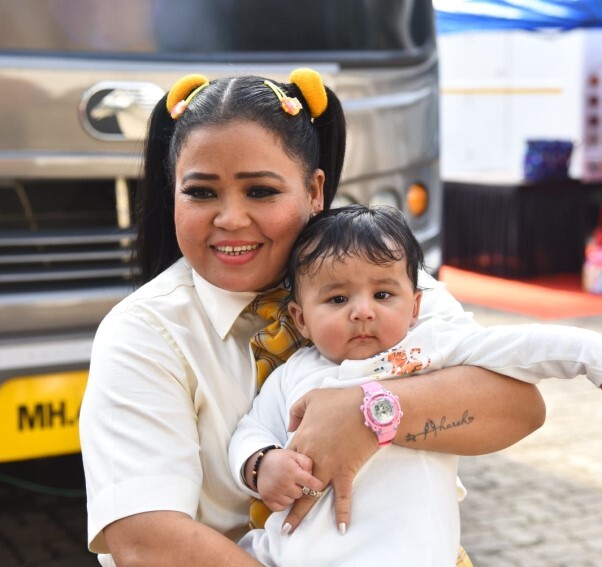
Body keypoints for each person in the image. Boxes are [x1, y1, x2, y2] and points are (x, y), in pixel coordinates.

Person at [79, 68, 549, 567]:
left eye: (259, 191)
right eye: (201, 192)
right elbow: (145, 539)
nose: (231, 218)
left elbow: (518, 408)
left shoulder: (379, 281)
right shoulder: (144, 334)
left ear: (315, 190)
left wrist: (372, 414)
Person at [229, 205, 602, 566]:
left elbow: (514, 346)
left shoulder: (429, 349)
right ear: (300, 318)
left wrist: (596, 356)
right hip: (298, 554)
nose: (363, 312)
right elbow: (251, 430)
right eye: (337, 300)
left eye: (383, 293)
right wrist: (261, 464)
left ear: (415, 307)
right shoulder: (292, 375)